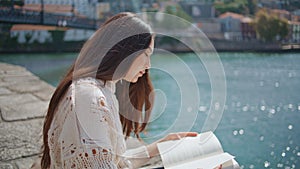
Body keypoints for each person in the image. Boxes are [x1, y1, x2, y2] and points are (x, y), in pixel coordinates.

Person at [40, 12, 198, 169]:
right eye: (146, 54)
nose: (149, 65)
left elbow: (117, 162)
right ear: (126, 51)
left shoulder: (101, 89)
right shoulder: (90, 97)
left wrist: (160, 146)